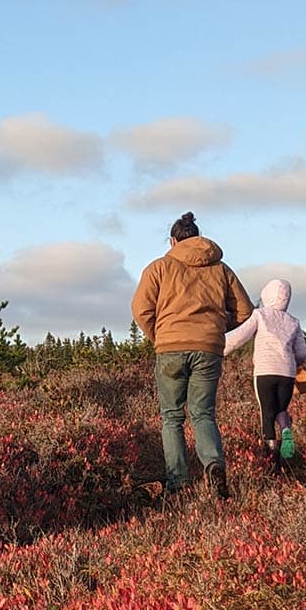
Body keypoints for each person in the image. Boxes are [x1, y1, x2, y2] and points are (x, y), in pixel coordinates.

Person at [132, 212, 252, 499]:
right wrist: (216, 329)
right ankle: (213, 464)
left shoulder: (159, 268)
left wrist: (159, 336)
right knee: (203, 414)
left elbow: (141, 309)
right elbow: (245, 311)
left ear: (173, 240)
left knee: (172, 416)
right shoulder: (221, 269)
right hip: (208, 349)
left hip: (170, 348)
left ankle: (177, 482)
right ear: (198, 237)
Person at [223, 279, 306, 474]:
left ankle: (272, 461)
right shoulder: (293, 321)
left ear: (266, 296)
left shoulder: (260, 315)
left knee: (267, 414)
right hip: (287, 373)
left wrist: (220, 348)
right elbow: (302, 353)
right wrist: (298, 362)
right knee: (281, 409)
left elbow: (240, 337)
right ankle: (286, 429)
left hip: (265, 372)